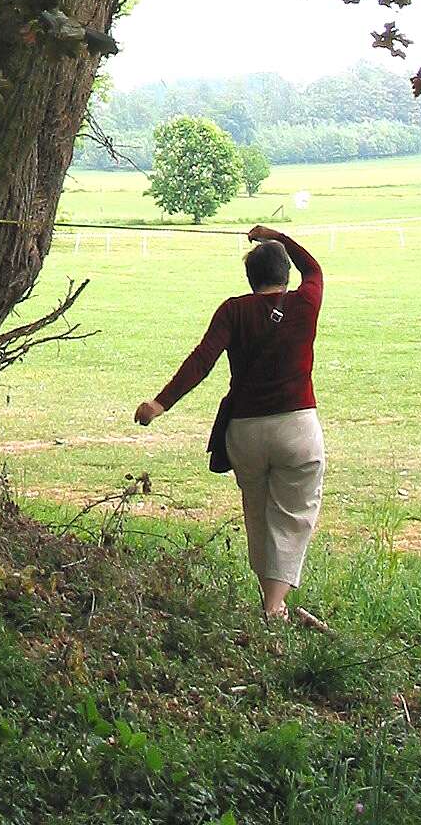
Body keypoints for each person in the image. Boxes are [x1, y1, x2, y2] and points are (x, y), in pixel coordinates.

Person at [133, 223, 326, 623]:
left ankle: (272, 604)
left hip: (245, 432)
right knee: (294, 514)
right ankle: (275, 606)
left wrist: (160, 403)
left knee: (257, 512)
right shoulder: (304, 303)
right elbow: (315, 269)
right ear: (285, 275)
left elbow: (202, 359)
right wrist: (278, 236)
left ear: (250, 278)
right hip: (297, 428)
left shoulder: (233, 310)